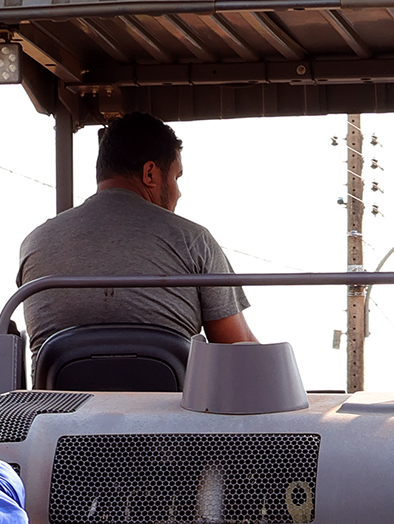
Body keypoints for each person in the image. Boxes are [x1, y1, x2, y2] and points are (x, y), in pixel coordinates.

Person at [15, 111, 260, 355]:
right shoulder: (193, 241)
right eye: (176, 177)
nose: (178, 192)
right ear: (150, 173)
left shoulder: (35, 243)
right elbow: (240, 352)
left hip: (63, 395)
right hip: (170, 394)